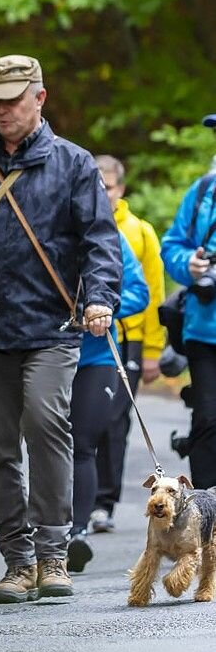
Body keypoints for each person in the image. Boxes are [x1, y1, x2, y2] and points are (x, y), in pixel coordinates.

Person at [0, 54, 121, 604]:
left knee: (47, 423)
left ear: (39, 98)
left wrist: (99, 297)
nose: (3, 110)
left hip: (51, 325)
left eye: (13, 99)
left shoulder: (74, 164)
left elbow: (100, 240)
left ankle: (54, 552)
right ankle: (17, 561)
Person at [90, 155, 166, 534]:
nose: (103, 193)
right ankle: (83, 500)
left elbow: (152, 293)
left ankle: (105, 500)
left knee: (115, 420)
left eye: (109, 186)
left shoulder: (139, 232)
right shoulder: (80, 223)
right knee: (89, 420)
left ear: (121, 189)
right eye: (97, 185)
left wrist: (152, 350)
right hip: (88, 338)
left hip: (129, 338)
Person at [67, 232, 148, 573]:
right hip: (42, 349)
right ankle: (46, 529)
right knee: (46, 441)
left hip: (96, 356)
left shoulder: (108, 236)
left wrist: (103, 307)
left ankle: (76, 533)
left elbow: (139, 292)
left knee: (83, 442)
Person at [160, 113, 216, 489]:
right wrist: (190, 266)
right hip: (204, 329)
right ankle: (209, 520)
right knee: (208, 419)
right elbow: (173, 246)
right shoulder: (202, 192)